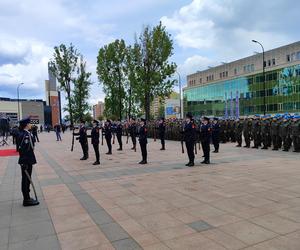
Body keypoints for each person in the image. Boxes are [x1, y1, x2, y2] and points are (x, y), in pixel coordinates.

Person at [17, 117, 39, 206]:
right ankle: (26, 199)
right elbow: (23, 150)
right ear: (26, 125)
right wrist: (24, 163)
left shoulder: (26, 133)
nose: (31, 125)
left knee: (27, 179)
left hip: (28, 160)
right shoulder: (24, 135)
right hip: (26, 161)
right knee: (26, 180)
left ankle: (27, 197)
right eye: (29, 123)